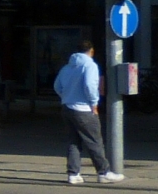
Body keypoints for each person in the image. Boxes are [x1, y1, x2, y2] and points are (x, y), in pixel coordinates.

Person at [53, 40, 123, 184]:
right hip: (84, 109)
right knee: (94, 141)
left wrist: (66, 97)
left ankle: (73, 174)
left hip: (67, 108)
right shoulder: (90, 65)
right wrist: (94, 103)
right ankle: (103, 172)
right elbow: (90, 85)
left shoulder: (67, 67)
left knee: (73, 141)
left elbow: (57, 86)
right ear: (91, 51)